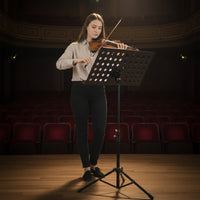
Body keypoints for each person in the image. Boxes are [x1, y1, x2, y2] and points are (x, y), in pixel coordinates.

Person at [56, 13, 127, 181]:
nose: (97, 30)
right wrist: (77, 60)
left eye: (100, 28)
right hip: (79, 90)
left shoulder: (104, 47)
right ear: (86, 27)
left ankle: (94, 164)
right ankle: (86, 168)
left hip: (98, 90)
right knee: (81, 130)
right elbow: (59, 64)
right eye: (94, 26)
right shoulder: (75, 46)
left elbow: (113, 72)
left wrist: (120, 55)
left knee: (100, 130)